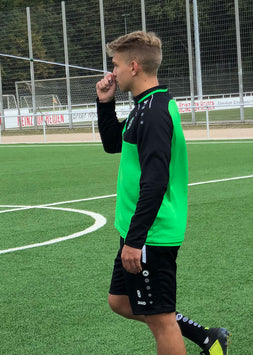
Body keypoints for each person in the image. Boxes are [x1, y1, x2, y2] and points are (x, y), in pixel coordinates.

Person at [95, 31, 229, 355]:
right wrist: (105, 101)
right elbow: (114, 143)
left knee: (161, 321)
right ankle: (207, 338)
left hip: (150, 236)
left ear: (134, 66)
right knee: (121, 301)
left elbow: (155, 182)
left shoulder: (154, 112)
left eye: (116, 65)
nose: (113, 72)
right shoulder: (144, 105)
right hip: (138, 230)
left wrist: (135, 240)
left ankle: (207, 341)